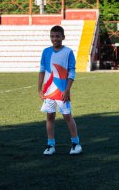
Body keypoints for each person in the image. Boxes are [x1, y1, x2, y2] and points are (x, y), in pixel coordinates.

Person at [38, 25, 82, 155]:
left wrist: (67, 89)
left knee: (67, 116)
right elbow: (41, 70)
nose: (54, 39)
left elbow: (71, 72)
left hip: (62, 91)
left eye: (57, 36)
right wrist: (39, 89)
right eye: (52, 36)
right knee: (50, 116)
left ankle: (76, 144)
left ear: (63, 37)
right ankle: (50, 145)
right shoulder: (46, 52)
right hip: (49, 91)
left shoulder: (68, 52)